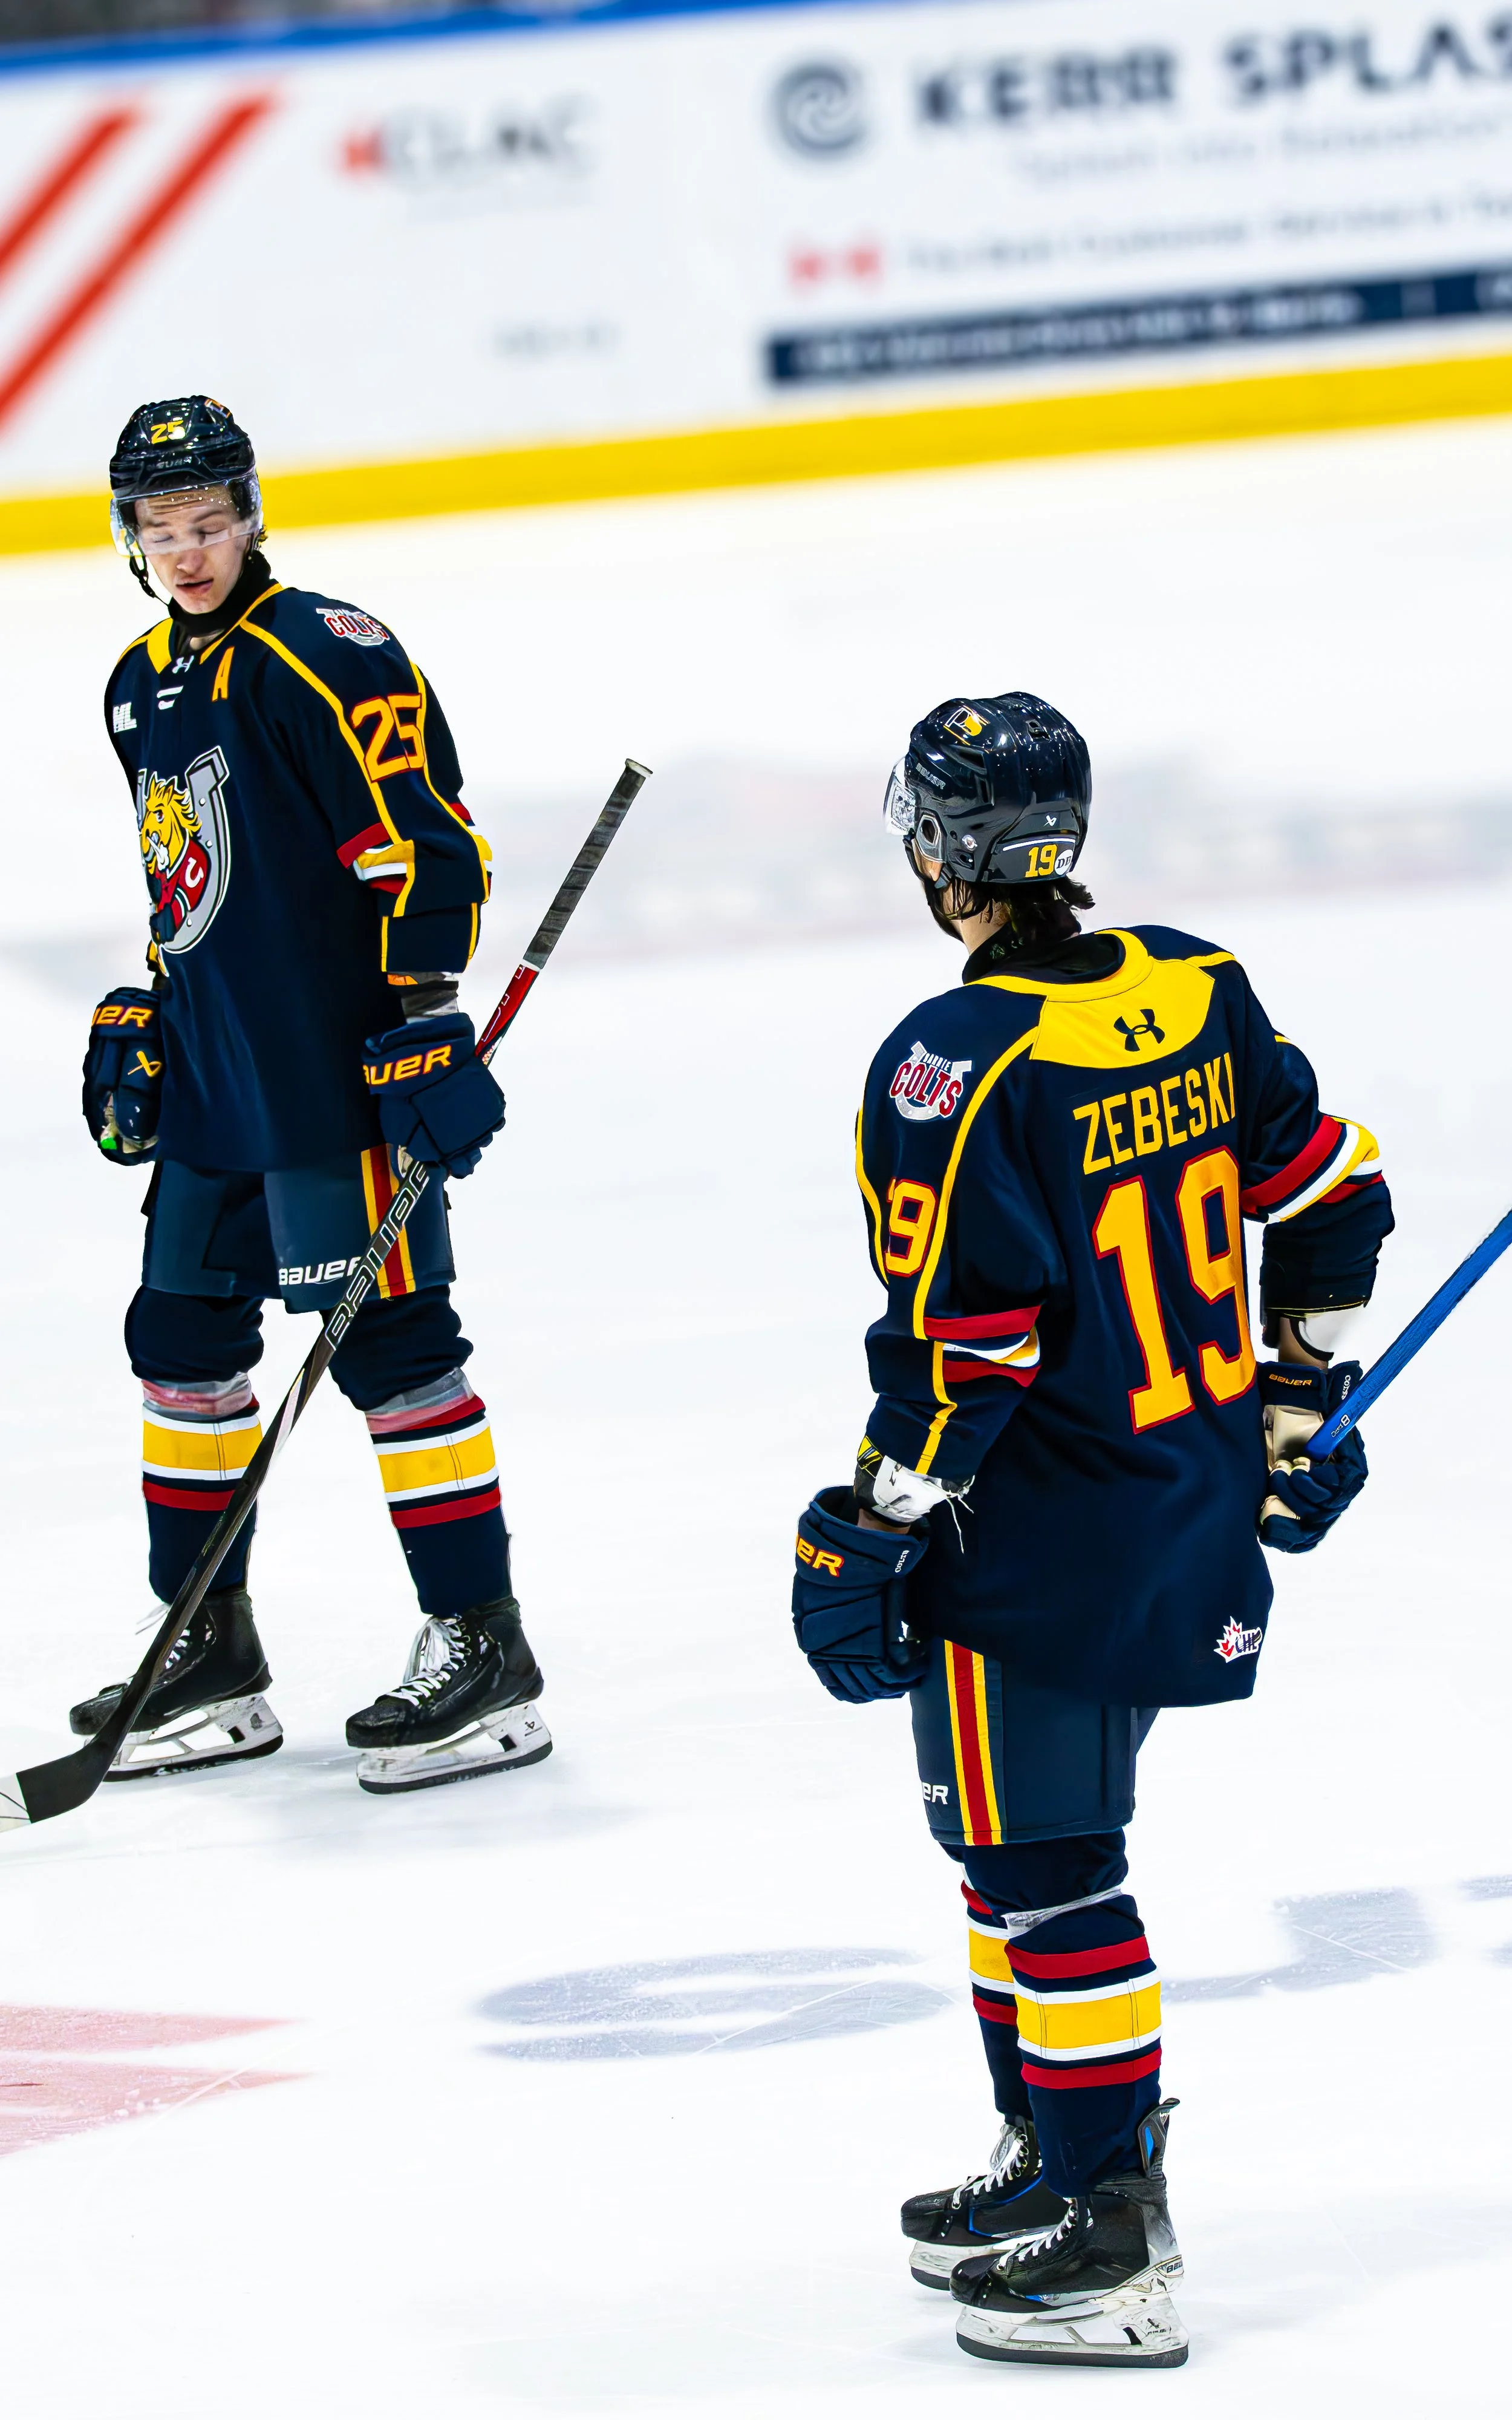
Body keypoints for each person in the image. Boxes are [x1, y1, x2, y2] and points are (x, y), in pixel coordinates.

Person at [790, 693, 1392, 2367]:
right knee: (1015, 1849)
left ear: (934, 852)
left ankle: (1112, 2231)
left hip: (1032, 1532)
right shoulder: (1191, 981)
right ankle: (1052, 2159)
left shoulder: (949, 1059)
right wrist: (1290, 1405)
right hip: (1185, 1510)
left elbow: (964, 1351)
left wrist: (869, 1520)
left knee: (1049, 1872)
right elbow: (1331, 1190)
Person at [73, 394, 550, 1797]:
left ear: (251, 514)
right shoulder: (134, 681)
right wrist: (156, 1000)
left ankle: (482, 1643)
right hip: (222, 1078)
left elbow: (431, 844)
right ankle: (204, 1644)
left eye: (210, 522)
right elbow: (190, 876)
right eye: (163, 531)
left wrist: (420, 1021)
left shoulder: (325, 655)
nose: (190, 552)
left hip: (333, 1079)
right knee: (177, 1339)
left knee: (394, 1349)